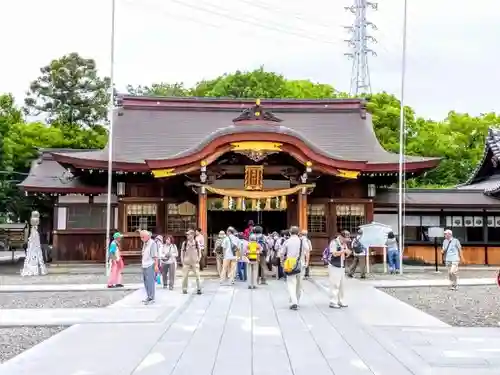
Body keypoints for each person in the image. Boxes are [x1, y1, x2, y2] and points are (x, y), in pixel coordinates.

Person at [281, 226, 310, 310]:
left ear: (290, 233)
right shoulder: (302, 241)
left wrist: (282, 262)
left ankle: (293, 302)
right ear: (298, 233)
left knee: (291, 283)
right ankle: (296, 300)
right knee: (299, 284)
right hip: (300, 263)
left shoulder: (287, 241)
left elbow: (282, 253)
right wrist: (307, 262)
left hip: (290, 263)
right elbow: (307, 250)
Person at [327, 230, 351, 309]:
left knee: (341, 285)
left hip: (341, 266)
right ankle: (333, 301)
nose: (346, 240)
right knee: (335, 284)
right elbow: (334, 253)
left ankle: (341, 300)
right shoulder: (334, 242)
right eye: (345, 238)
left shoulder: (344, 243)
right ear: (341, 236)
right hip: (334, 266)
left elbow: (345, 252)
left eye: (347, 239)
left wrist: (348, 252)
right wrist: (343, 251)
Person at [180, 230, 203, 295]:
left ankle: (199, 289)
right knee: (184, 276)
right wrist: (182, 260)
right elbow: (182, 252)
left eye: (188, 234)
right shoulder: (184, 243)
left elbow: (199, 251)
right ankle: (184, 289)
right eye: (187, 234)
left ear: (192, 235)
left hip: (195, 262)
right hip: (186, 262)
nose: (187, 236)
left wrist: (199, 258)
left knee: (198, 276)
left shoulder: (196, 242)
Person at [139, 230, 159, 304]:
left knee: (150, 281)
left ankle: (151, 297)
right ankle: (148, 296)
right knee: (146, 282)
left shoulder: (152, 243)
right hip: (144, 264)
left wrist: (156, 265)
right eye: (141, 237)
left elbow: (155, 256)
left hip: (150, 264)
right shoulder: (145, 243)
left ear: (147, 236)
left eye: (143, 237)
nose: (141, 238)